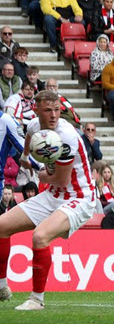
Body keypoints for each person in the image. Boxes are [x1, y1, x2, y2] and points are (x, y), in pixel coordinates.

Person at [0, 91, 95, 310]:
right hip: (53, 195)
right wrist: (25, 159)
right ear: (36, 110)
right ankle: (2, 287)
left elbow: (61, 180)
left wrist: (39, 171)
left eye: (56, 110)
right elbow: (27, 146)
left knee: (40, 237)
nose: (53, 115)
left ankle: (37, 299)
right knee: (2, 226)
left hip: (79, 197)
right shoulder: (34, 126)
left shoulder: (66, 136)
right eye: (47, 110)